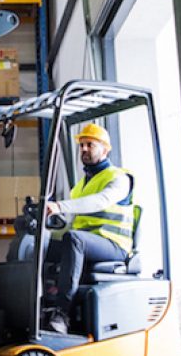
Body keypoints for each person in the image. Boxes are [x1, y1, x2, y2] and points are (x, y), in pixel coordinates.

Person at [42, 123, 135, 334]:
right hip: (88, 243)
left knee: (75, 240)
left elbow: (101, 201)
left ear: (105, 149)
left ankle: (62, 314)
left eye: (89, 145)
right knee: (39, 245)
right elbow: (72, 224)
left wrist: (59, 206)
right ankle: (41, 305)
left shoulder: (119, 179)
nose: (83, 149)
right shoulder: (80, 186)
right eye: (81, 145)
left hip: (114, 246)